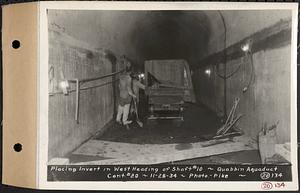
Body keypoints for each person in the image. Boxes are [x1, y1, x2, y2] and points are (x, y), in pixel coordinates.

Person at [116, 57, 136, 129]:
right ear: (130, 72)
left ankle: (118, 119)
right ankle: (124, 121)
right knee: (126, 109)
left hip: (121, 95)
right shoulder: (129, 78)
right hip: (127, 97)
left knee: (120, 107)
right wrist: (133, 95)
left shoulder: (121, 77)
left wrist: (121, 91)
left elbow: (119, 86)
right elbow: (128, 88)